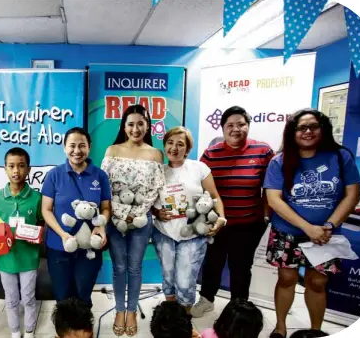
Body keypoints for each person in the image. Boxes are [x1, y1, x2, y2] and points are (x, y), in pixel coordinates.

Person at [263, 109, 360, 338]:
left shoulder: (340, 156)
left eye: (313, 126)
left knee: (317, 282)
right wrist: (308, 228)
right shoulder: (279, 161)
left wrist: (328, 226)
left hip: (327, 233)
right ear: (292, 132)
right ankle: (280, 328)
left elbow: (352, 195)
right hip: (286, 231)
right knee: (286, 278)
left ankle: (316, 331)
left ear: (322, 128)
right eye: (301, 128)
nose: (307, 131)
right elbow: (273, 199)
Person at [192, 106, 274, 318]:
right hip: (217, 223)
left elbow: (273, 186)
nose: (236, 129)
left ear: (248, 126)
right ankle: (207, 299)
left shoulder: (263, 151)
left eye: (241, 124)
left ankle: (238, 307)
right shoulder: (211, 153)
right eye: (230, 125)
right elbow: (199, 185)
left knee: (241, 267)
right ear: (222, 129)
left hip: (249, 223)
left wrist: (266, 216)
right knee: (212, 263)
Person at [101, 104, 166, 336]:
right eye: (131, 124)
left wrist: (136, 213)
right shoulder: (112, 150)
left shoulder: (155, 154)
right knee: (119, 267)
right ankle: (119, 310)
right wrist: (119, 213)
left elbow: (156, 188)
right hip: (115, 219)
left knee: (135, 267)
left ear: (147, 125)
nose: (135, 128)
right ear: (124, 126)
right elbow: (104, 186)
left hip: (141, 218)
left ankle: (131, 312)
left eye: (140, 123)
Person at [151, 127, 226, 311]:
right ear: (164, 145)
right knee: (168, 277)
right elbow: (148, 201)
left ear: (188, 149)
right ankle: (171, 316)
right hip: (164, 232)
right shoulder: (158, 171)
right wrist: (156, 212)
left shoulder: (199, 168)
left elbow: (214, 196)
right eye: (170, 143)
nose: (174, 148)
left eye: (180, 144)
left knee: (185, 281)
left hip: (193, 233)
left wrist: (221, 218)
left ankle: (183, 321)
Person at [41, 127, 110, 306]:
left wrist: (101, 226)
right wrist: (63, 234)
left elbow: (106, 208)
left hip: (89, 247)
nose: (77, 151)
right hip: (59, 245)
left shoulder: (100, 176)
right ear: (64, 147)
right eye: (72, 146)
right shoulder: (54, 175)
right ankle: (65, 332)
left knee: (83, 294)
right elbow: (46, 209)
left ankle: (83, 331)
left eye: (82, 145)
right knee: (62, 295)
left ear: (89, 147)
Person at [0, 148, 43, 338]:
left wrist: (37, 234)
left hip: (28, 258)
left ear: (28, 169)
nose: (16, 171)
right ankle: (14, 331)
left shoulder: (37, 198)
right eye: (11, 166)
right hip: (5, 258)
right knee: (10, 298)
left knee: (28, 298)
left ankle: (29, 332)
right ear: (5, 168)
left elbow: (42, 223)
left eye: (21, 166)